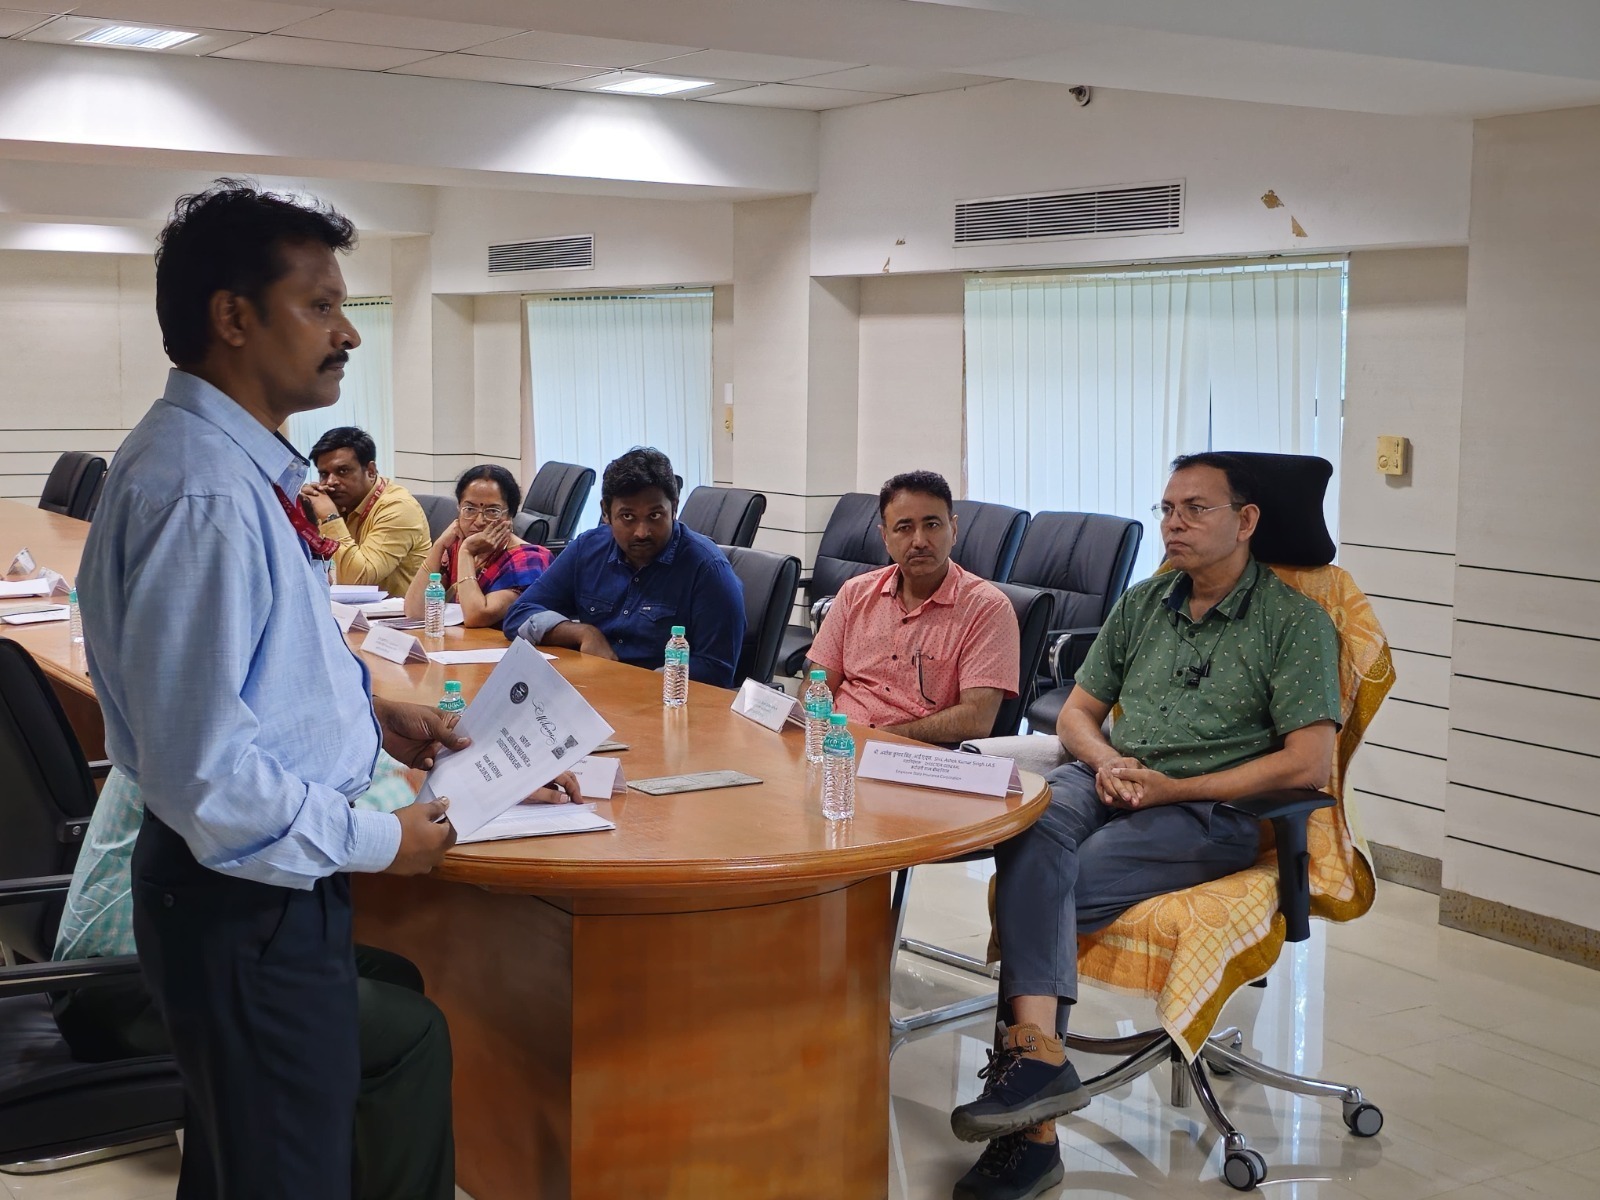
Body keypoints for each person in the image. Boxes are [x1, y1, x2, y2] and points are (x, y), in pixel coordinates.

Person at [78, 179, 456, 1199]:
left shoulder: (226, 464)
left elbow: (247, 673)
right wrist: (383, 840)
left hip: (249, 897)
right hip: (243, 903)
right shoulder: (203, 490)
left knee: (247, 1169)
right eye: (320, 305)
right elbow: (208, 774)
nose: (348, 334)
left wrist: (369, 717)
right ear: (234, 318)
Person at [945, 452, 1342, 1200]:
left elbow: (1308, 763)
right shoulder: (1145, 601)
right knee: (1027, 831)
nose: (1172, 524)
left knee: (1047, 888)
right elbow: (1077, 713)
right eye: (1166, 508)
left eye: (1195, 509)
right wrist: (1103, 762)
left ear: (1246, 521)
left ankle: (1030, 1134)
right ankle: (1040, 1068)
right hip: (1110, 781)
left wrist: (1174, 787)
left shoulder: (1295, 623)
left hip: (1205, 811)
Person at [502, 447, 746, 687]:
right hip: (593, 691)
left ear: (674, 508)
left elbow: (717, 670)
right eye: (628, 517)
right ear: (606, 512)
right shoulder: (588, 548)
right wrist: (582, 633)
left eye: (655, 515)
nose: (642, 532)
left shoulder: (708, 569)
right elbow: (518, 616)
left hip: (660, 700)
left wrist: (636, 683)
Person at [807, 470, 1019, 745]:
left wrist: (880, 740)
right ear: (885, 537)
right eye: (904, 528)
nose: (919, 541)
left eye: (932, 525)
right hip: (837, 747)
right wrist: (814, 733)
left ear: (954, 530)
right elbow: (818, 683)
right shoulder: (855, 593)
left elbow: (976, 719)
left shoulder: (987, 609)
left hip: (915, 755)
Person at [404, 464, 551, 628]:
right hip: (457, 641)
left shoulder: (529, 559)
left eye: (492, 511)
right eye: (469, 509)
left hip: (498, 643)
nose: (479, 521)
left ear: (510, 515)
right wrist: (439, 545)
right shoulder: (455, 546)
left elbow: (476, 617)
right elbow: (415, 612)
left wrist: (466, 552)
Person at [301, 425, 431, 595]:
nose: (330, 482)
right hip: (344, 607)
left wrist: (330, 518)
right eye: (324, 474)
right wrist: (306, 516)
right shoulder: (338, 501)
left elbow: (356, 580)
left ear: (370, 471)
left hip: (396, 610)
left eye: (343, 471)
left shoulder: (398, 507)